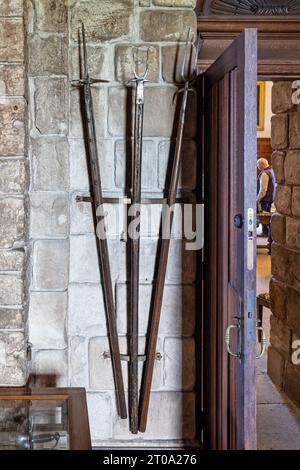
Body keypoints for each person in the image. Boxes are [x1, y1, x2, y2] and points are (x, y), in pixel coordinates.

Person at [257, 158, 276, 236]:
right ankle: (267, 233)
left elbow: (263, 189)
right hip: (270, 198)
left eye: (257, 165)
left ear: (261, 165)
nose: (257, 167)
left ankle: (265, 233)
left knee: (264, 218)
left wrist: (258, 199)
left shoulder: (265, 173)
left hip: (265, 199)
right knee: (268, 218)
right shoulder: (271, 171)